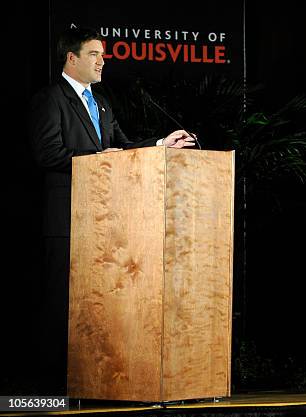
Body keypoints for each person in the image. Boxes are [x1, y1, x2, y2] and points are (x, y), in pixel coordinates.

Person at [27, 27, 195, 394]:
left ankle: (88, 385)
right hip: (66, 220)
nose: (103, 61)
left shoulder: (101, 103)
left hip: (102, 223)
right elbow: (48, 155)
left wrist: (161, 144)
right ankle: (49, 392)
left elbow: (122, 148)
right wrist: (96, 159)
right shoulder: (50, 99)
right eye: (94, 54)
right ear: (72, 58)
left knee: (94, 310)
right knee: (61, 307)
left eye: (103, 55)